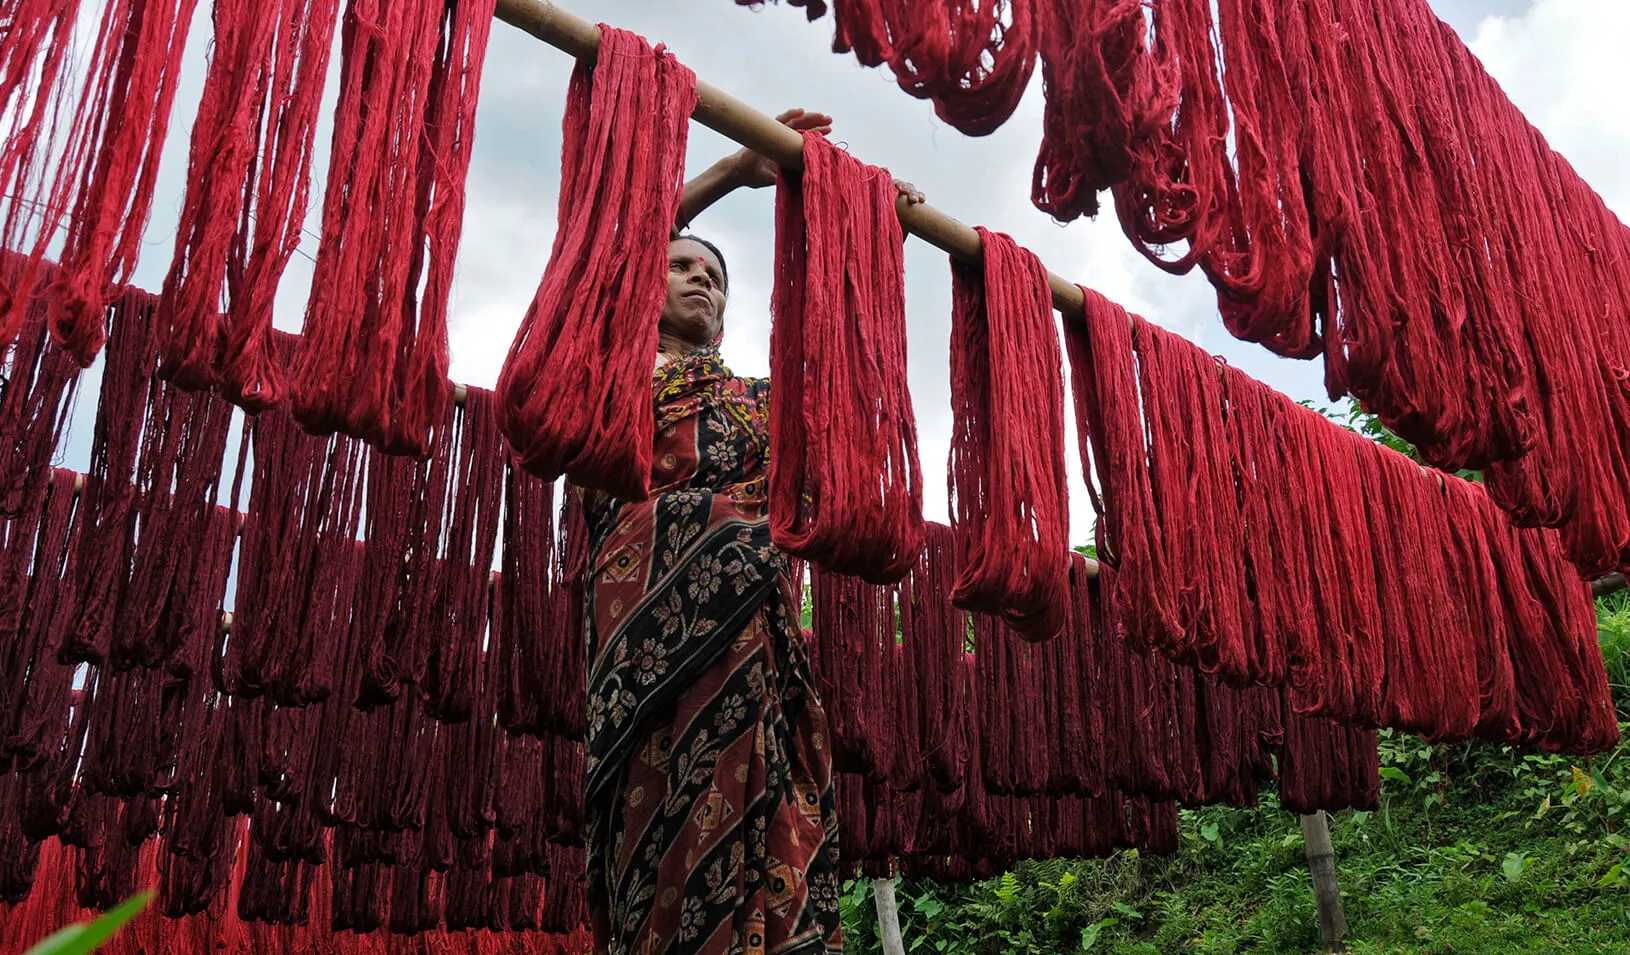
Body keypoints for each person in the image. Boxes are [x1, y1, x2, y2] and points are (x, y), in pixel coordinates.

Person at [579, 109, 924, 955]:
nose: (701, 279)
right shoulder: (602, 373)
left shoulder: (757, 402)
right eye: (682, 266)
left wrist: (870, 238)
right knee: (661, 828)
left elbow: (843, 377)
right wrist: (734, 169)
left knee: (773, 820)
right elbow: (607, 250)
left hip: (757, 653)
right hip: (649, 643)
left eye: (715, 276)